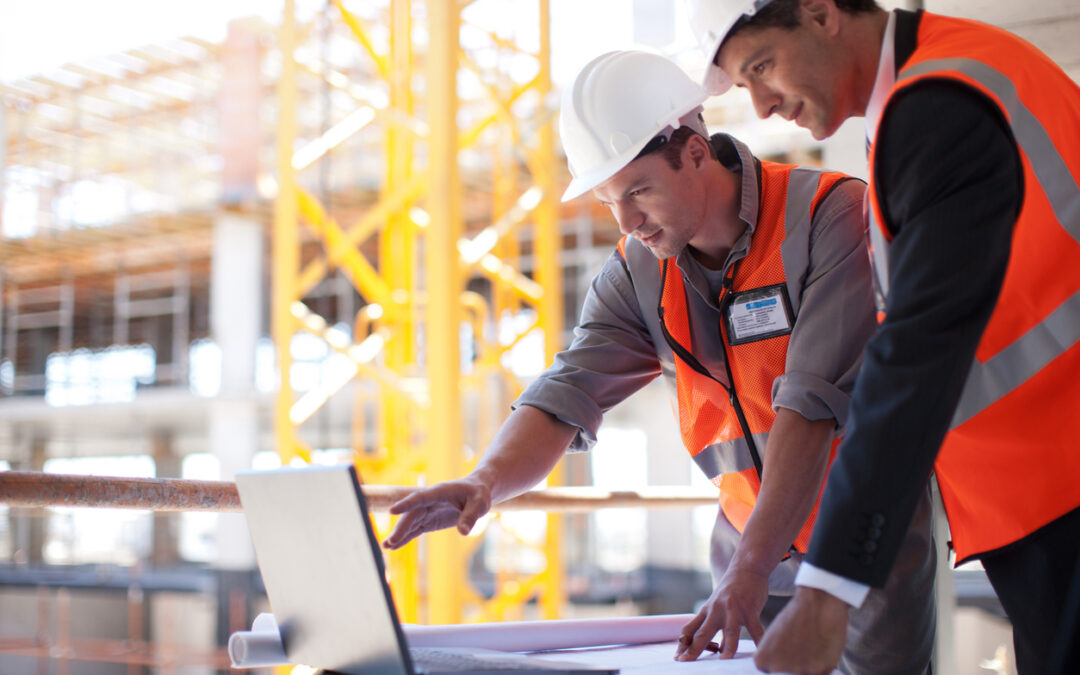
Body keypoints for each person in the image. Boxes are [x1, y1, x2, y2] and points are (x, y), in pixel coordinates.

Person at [381, 49, 935, 674]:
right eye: (609, 199)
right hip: (746, 552)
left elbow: (810, 408)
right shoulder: (639, 270)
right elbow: (568, 389)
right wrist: (487, 479)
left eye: (639, 190)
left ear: (696, 152)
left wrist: (750, 570)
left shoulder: (826, 215)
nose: (627, 220)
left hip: (860, 547)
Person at [687, 1, 1080, 673]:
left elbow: (915, 355)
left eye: (762, 66)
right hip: (1046, 483)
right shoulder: (946, 80)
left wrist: (828, 588)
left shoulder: (938, 108)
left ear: (820, 12)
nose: (761, 106)